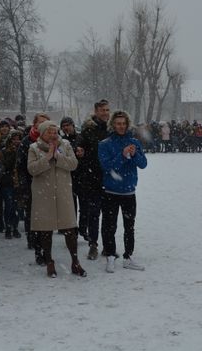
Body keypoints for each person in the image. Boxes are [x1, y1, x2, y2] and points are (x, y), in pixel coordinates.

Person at [27, 120, 86, 278]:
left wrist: (58, 156)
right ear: (42, 133)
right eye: (49, 132)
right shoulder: (33, 148)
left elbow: (73, 164)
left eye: (55, 132)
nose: (52, 135)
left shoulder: (65, 145)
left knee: (69, 229)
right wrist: (47, 157)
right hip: (43, 194)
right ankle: (49, 262)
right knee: (46, 231)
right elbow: (32, 169)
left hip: (63, 192)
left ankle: (75, 261)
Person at [98, 111, 147, 273]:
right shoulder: (104, 144)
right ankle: (110, 256)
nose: (121, 126)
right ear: (113, 124)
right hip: (111, 192)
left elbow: (143, 164)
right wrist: (123, 155)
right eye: (118, 123)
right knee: (109, 226)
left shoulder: (134, 142)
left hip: (128, 192)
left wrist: (134, 155)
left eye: (124, 123)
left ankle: (128, 256)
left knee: (129, 226)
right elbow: (107, 167)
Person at [16, 112, 51, 265]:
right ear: (34, 124)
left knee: (47, 220)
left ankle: (46, 249)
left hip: (49, 185)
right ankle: (38, 248)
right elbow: (21, 167)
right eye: (40, 122)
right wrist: (24, 187)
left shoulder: (53, 140)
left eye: (46, 122)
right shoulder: (27, 142)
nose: (42, 125)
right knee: (34, 218)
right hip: (32, 185)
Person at [78, 99, 110, 260]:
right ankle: (93, 244)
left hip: (109, 179)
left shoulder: (112, 129)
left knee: (109, 215)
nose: (106, 113)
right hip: (92, 178)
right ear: (96, 111)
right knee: (94, 214)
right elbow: (80, 149)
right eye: (103, 110)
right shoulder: (88, 130)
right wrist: (81, 153)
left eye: (107, 110)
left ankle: (107, 246)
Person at [1, 129, 23, 239]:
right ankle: (8, 228)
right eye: (14, 139)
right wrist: (13, 153)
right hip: (8, 182)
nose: (16, 141)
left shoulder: (23, 150)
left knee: (16, 207)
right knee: (9, 206)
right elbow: (6, 165)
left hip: (19, 182)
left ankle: (15, 227)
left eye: (18, 139)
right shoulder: (5, 151)